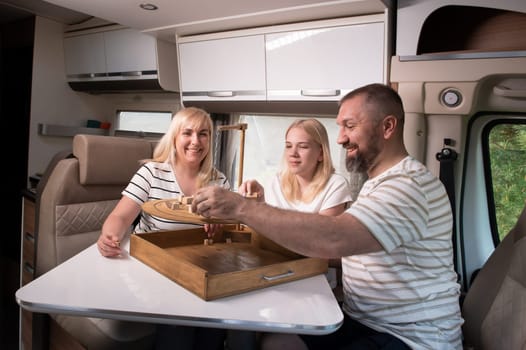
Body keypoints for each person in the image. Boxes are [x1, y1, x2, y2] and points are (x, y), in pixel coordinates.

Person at [191, 83, 464, 349]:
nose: (341, 138)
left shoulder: (407, 185)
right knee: (276, 340)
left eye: (350, 126)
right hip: (365, 322)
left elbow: (334, 238)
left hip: (411, 337)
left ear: (388, 127)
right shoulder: (377, 184)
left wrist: (242, 208)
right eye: (340, 127)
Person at [96, 106, 229, 350]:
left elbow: (223, 233)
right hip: (154, 271)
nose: (195, 141)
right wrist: (109, 236)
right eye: (187, 133)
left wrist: (218, 228)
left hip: (199, 271)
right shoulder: (151, 172)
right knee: (178, 331)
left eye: (203, 134)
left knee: (214, 331)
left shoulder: (219, 181)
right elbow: (120, 217)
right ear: (175, 137)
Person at [227, 118, 353, 350]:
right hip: (275, 278)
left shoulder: (336, 185)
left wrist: (265, 216)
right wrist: (260, 204)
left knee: (270, 340)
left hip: (312, 285)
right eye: (288, 145)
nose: (293, 153)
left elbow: (321, 243)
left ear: (321, 153)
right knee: (238, 326)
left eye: (303, 146)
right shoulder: (275, 183)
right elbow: (268, 236)